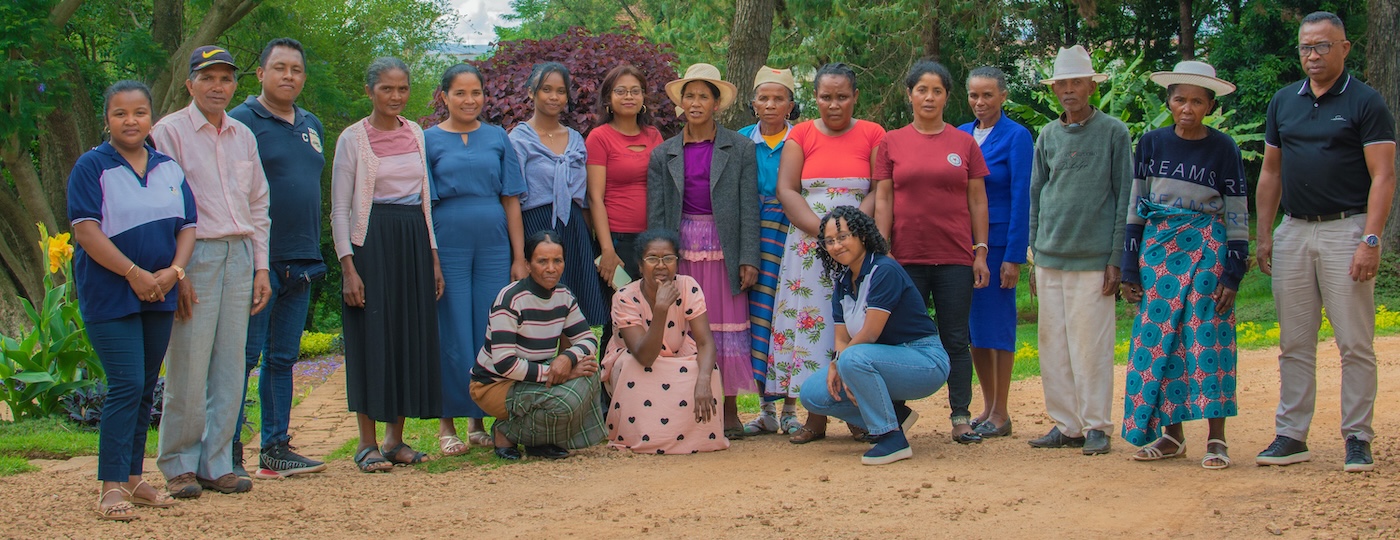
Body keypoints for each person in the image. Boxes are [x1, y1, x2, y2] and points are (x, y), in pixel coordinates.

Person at [1254, 11, 1395, 473]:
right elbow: (1270, 172)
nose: (1312, 56)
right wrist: (1265, 234)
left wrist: (1371, 239)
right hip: (1293, 229)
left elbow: (1383, 176)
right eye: (1305, 48)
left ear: (1344, 48)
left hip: (1346, 228)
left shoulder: (1365, 102)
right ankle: (1292, 434)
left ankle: (1357, 436)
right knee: (1294, 342)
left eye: (1322, 46)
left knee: (1354, 342)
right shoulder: (1283, 102)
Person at [73, 80, 196, 520]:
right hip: (111, 294)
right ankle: (110, 487)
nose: (131, 121)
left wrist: (174, 272)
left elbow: (187, 226)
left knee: (145, 387)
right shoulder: (92, 167)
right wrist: (133, 273)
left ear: (151, 118)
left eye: (139, 112)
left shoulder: (168, 168)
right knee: (126, 384)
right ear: (107, 119)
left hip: (159, 294)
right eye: (120, 113)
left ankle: (132, 478)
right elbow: (86, 230)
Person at [152, 45, 271, 497]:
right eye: (208, 78)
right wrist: (175, 272)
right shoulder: (170, 133)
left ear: (235, 84)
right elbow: (164, 207)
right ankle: (179, 462)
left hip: (240, 253)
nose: (217, 86)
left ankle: (216, 461)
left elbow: (259, 204)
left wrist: (261, 266)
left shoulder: (242, 135)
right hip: (194, 255)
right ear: (190, 84)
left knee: (229, 364)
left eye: (225, 78)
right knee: (188, 361)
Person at [1119, 61, 1248, 470]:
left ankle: (1216, 439)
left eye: (1197, 101)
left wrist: (1233, 271)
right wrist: (1128, 266)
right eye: (1179, 99)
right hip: (1158, 254)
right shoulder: (1152, 143)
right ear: (1169, 101)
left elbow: (1238, 214)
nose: (1187, 108)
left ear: (1210, 105)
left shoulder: (1223, 148)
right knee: (1162, 342)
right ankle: (1171, 436)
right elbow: (1137, 204)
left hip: (1207, 252)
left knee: (1207, 339)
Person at [330, 57, 444, 473]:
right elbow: (340, 208)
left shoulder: (415, 132)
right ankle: (366, 442)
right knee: (372, 337)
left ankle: (396, 440)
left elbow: (425, 202)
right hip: (371, 243)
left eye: (402, 89)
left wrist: (433, 257)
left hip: (413, 240)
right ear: (369, 91)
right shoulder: (352, 138)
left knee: (407, 335)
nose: (395, 96)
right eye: (386, 89)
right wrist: (349, 267)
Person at [769, 63, 888, 444]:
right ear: (815, 98)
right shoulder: (800, 134)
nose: (833, 104)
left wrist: (850, 231)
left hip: (857, 245)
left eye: (841, 97)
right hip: (808, 248)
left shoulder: (873, 133)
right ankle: (815, 417)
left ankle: (856, 412)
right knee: (813, 328)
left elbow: (876, 190)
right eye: (825, 97)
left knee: (855, 326)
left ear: (855, 97)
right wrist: (824, 233)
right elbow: (787, 190)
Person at [874, 59, 990, 444]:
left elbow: (977, 200)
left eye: (936, 90)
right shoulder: (891, 142)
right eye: (921, 89)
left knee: (956, 338)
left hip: (956, 257)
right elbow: (884, 198)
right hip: (904, 259)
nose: (929, 96)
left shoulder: (964, 143)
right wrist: (883, 249)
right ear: (909, 94)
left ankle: (960, 416)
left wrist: (980, 252)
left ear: (946, 97)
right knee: (901, 339)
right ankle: (896, 416)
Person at [227, 37, 328, 480]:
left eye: (297, 70)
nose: (289, 76)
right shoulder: (239, 123)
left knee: (283, 358)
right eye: (280, 68)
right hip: (257, 262)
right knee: (243, 358)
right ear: (260, 74)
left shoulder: (312, 124)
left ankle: (276, 448)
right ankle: (227, 451)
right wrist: (255, 261)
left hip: (302, 260)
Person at [1027, 45, 1133, 456]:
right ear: (1055, 90)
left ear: (1091, 86)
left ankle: (1096, 426)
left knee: (1091, 346)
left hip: (1093, 259)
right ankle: (1066, 425)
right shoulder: (1048, 135)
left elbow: (1124, 196)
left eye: (1076, 82)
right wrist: (1034, 255)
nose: (1069, 90)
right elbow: (1036, 195)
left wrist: (1115, 258)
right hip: (1050, 255)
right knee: (1053, 346)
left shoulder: (1113, 132)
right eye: (1062, 84)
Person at [647, 63, 760, 438]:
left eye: (703, 96)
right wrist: (660, 262)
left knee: (726, 326)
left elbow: (748, 206)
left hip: (724, 247)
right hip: (684, 247)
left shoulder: (740, 147)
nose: (695, 103)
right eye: (689, 96)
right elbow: (658, 212)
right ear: (681, 103)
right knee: (687, 325)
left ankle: (728, 410)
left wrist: (748, 257)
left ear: (717, 104)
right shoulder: (664, 154)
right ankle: (687, 408)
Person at [425, 63, 528, 456]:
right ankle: (446, 422)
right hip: (448, 239)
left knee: (491, 329)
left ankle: (478, 420)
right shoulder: (428, 140)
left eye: (476, 93)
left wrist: (519, 256)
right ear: (445, 96)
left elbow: (512, 200)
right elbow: (423, 201)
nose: (469, 100)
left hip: (494, 242)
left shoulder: (498, 137)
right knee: (450, 328)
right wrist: (431, 256)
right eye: (460, 93)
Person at [799, 207, 950, 465]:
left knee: (851, 359)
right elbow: (841, 339)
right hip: (875, 360)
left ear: (863, 236)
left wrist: (841, 364)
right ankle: (896, 416)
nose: (836, 246)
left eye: (843, 237)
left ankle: (891, 438)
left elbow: (869, 333)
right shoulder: (843, 281)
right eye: (830, 241)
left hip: (925, 360)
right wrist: (841, 361)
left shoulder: (884, 271)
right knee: (812, 394)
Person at [470, 230, 607, 460]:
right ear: (527, 264)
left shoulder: (563, 295)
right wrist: (556, 373)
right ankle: (505, 431)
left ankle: (537, 440)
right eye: (542, 261)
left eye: (557, 260)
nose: (551, 268)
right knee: (565, 400)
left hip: (534, 375)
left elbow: (588, 339)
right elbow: (504, 364)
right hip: (495, 385)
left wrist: (567, 359)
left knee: (591, 372)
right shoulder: (510, 300)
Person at [602, 230, 729, 454]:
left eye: (668, 258)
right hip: (637, 359)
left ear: (677, 263)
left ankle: (697, 440)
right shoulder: (624, 297)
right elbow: (644, 356)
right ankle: (645, 439)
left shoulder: (688, 286)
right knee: (632, 367)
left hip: (677, 353)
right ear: (640, 266)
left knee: (708, 369)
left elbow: (705, 343)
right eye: (652, 259)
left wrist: (703, 379)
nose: (661, 265)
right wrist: (661, 309)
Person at [959, 66, 1033, 439]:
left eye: (987, 95)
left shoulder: (1017, 137)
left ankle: (1002, 412)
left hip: (1000, 243)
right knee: (975, 329)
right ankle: (987, 406)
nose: (980, 102)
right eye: (974, 95)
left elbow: (1022, 197)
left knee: (998, 327)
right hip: (963, 244)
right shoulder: (959, 135)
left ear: (1003, 96)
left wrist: (1014, 256)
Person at [510, 62, 608, 325]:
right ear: (531, 92)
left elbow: (583, 198)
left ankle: (572, 363)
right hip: (535, 226)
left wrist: (588, 241)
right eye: (546, 89)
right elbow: (512, 201)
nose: (554, 97)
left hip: (573, 228)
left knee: (573, 307)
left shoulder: (576, 139)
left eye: (561, 91)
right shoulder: (518, 140)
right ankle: (539, 366)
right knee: (538, 309)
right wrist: (519, 255)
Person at [737, 66, 803, 436]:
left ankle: (792, 408)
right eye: (763, 97)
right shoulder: (741, 141)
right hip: (754, 236)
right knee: (758, 320)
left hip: (793, 235)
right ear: (753, 103)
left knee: (789, 316)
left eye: (779, 98)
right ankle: (766, 410)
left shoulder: (802, 139)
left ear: (791, 105)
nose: (770, 104)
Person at [588, 64, 664, 290]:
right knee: (623, 312)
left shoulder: (654, 135)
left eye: (635, 90)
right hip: (616, 241)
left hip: (652, 239)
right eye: (620, 91)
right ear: (608, 99)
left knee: (654, 308)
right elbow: (594, 197)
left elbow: (663, 188)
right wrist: (607, 250)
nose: (628, 96)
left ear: (643, 97)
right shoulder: (599, 137)